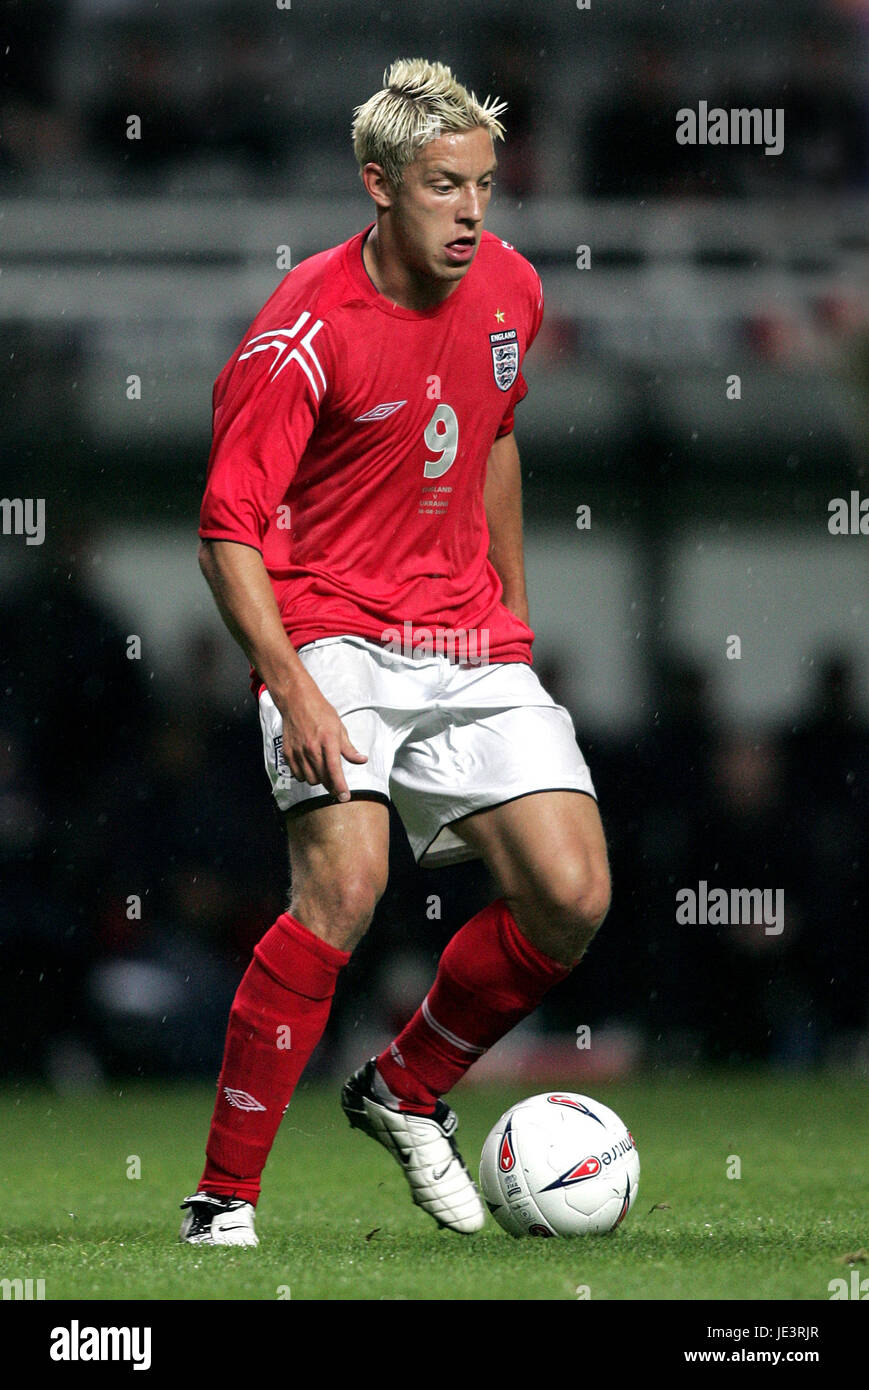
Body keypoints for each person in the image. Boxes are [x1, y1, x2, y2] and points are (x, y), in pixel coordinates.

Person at [180, 58, 611, 1247]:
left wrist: (511, 615)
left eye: (483, 185)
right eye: (441, 186)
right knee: (345, 887)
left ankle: (403, 1086)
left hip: (465, 635)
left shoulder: (512, 288)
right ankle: (221, 1202)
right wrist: (292, 687)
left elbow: (495, 436)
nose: (470, 211)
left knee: (571, 896)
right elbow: (225, 532)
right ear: (377, 185)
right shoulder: (303, 333)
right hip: (331, 631)